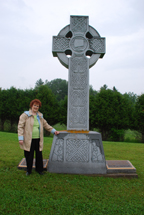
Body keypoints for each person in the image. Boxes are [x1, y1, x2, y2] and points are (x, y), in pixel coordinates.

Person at [18, 99, 59, 176]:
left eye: (37, 106)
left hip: (38, 139)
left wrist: (54, 131)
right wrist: (20, 138)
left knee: (39, 155)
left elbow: (46, 125)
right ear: (31, 105)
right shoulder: (25, 115)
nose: (36, 107)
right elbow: (20, 127)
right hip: (28, 139)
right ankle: (29, 171)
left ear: (39, 107)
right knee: (29, 155)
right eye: (34, 105)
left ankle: (39, 170)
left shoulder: (40, 116)